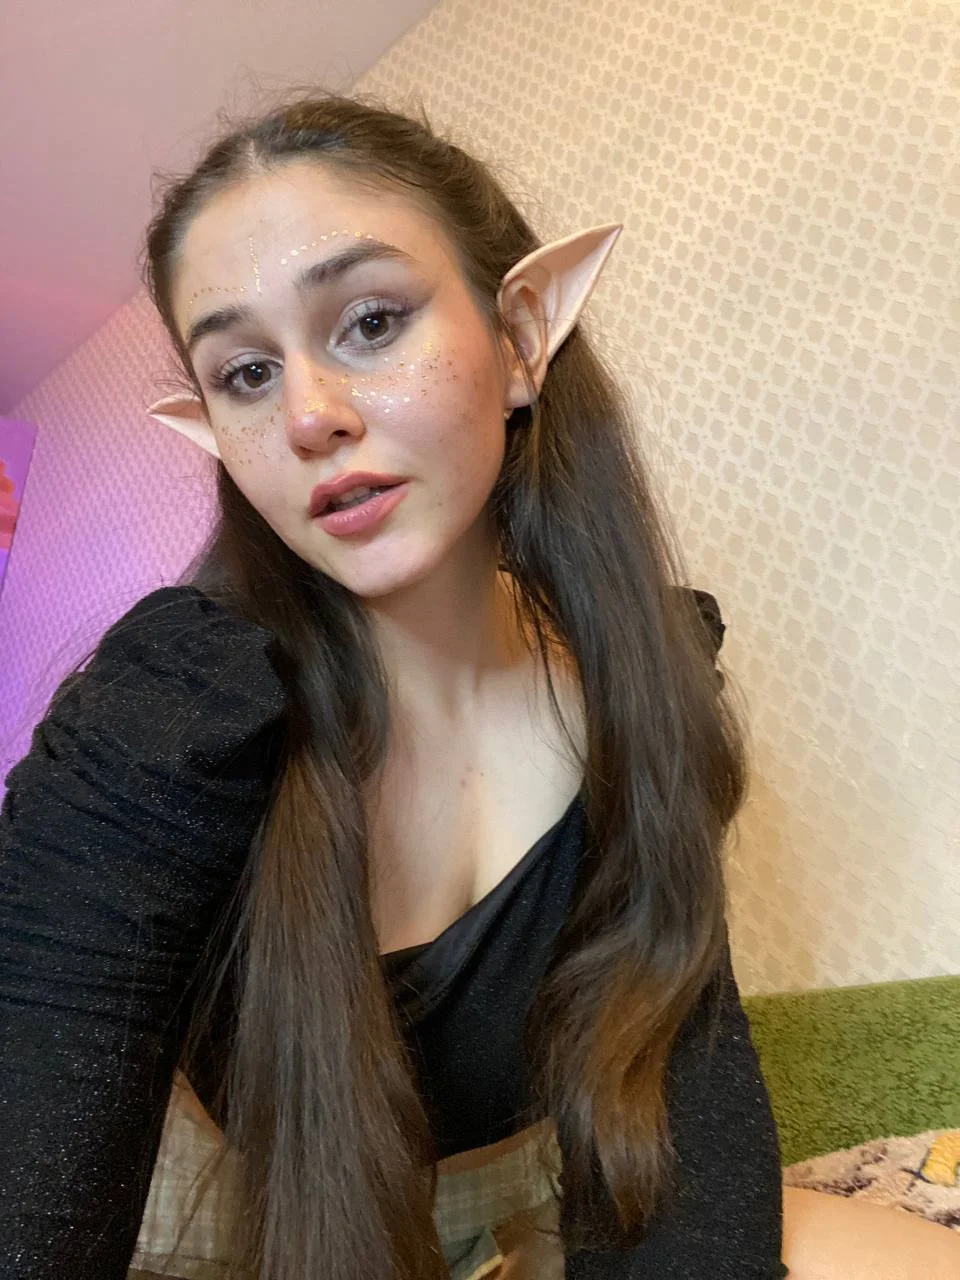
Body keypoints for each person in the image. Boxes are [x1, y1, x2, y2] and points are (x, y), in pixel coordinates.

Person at [2, 91, 958, 1280]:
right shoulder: (153, 728)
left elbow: (670, 1133)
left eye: (369, 321)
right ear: (214, 434)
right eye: (245, 373)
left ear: (519, 338)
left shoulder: (637, 682)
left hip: (517, 1210)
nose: (309, 416)